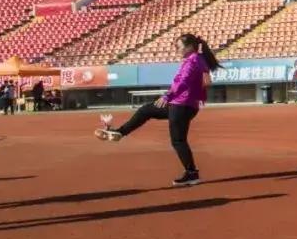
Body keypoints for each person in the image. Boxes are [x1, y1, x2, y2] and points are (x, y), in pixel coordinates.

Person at [94, 33, 221, 187]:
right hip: (185, 105)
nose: (176, 50)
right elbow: (205, 80)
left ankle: (192, 173)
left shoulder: (192, 60)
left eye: (178, 46)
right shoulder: (198, 58)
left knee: (178, 141)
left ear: (188, 47)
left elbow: (184, 81)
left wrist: (168, 96)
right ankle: (120, 132)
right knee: (146, 110)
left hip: (180, 104)